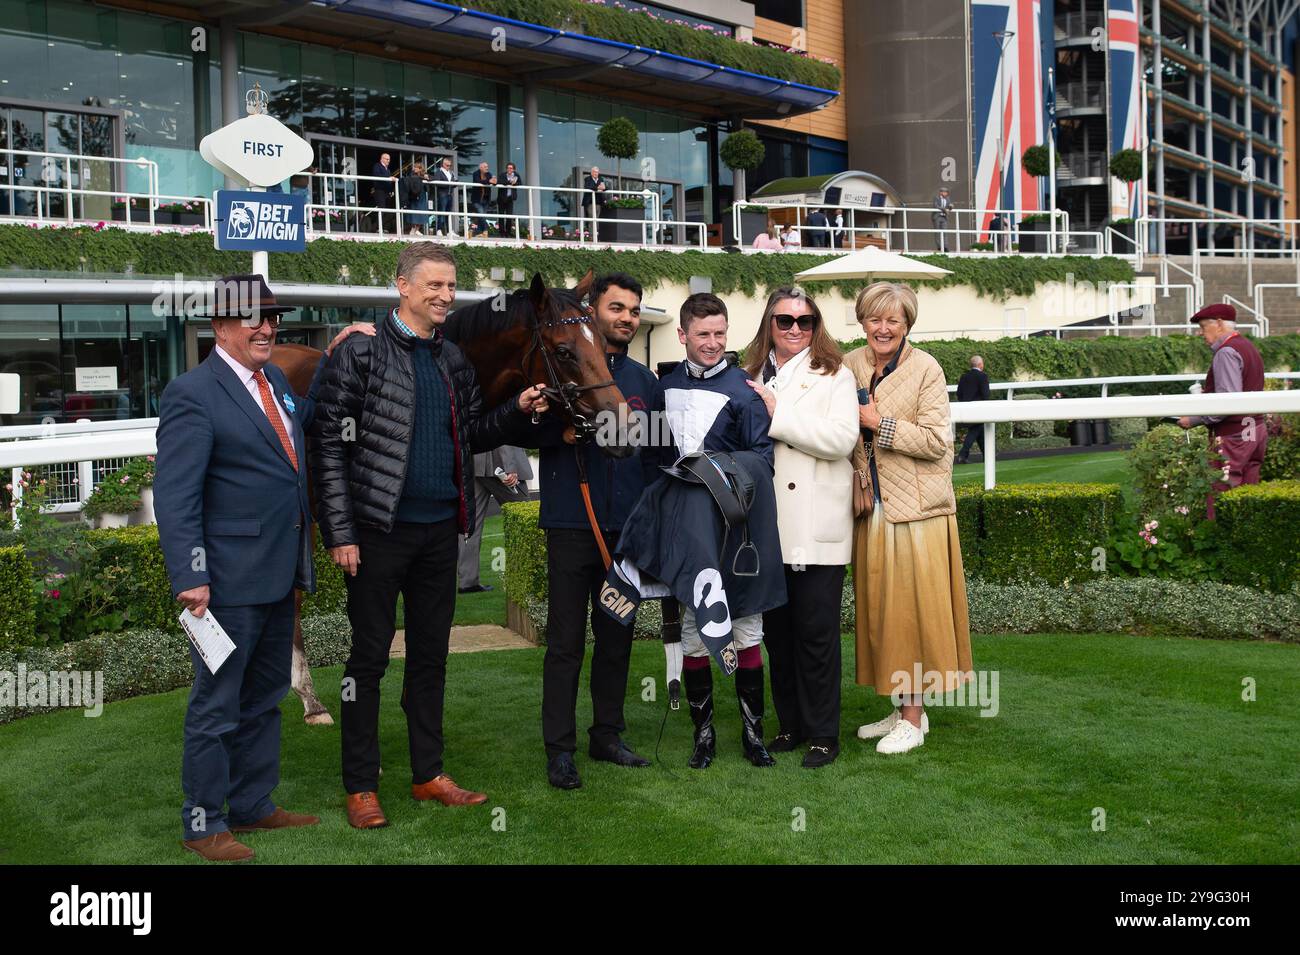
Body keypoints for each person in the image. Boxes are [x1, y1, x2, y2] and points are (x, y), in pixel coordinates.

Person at [309, 242, 550, 828]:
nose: (445, 296)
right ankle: (361, 785)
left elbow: (471, 433)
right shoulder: (359, 353)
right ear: (403, 286)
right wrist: (340, 531)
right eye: (434, 286)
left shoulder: (454, 360)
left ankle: (427, 774)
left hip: (440, 532)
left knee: (429, 660)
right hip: (375, 535)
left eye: (451, 287)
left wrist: (517, 409)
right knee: (366, 661)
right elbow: (328, 448)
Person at [154, 274, 320, 862]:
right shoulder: (191, 393)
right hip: (223, 580)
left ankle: (252, 805)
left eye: (272, 318)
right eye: (253, 318)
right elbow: (175, 496)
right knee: (217, 704)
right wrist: (191, 574)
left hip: (280, 574)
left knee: (266, 696)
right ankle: (203, 824)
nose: (266, 328)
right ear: (220, 326)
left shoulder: (275, 379)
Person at [504, 272, 662, 790]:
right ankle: (560, 749)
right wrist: (557, 425)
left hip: (626, 533)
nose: (627, 318)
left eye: (634, 311)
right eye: (617, 308)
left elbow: (657, 457)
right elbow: (524, 428)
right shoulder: (553, 367)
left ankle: (608, 735)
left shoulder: (644, 383)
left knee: (616, 639)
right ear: (593, 309)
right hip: (573, 525)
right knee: (566, 643)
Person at [844, 282, 972, 755]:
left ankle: (915, 720)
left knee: (909, 613)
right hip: (870, 508)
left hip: (916, 513)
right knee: (882, 612)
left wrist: (881, 424)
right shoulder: (850, 363)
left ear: (907, 324)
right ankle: (901, 708)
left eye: (892, 320)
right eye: (874, 318)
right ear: (862, 321)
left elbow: (939, 441)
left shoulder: (926, 368)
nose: (883, 328)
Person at [653, 292, 777, 769]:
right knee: (691, 632)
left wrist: (712, 471)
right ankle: (703, 736)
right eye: (703, 334)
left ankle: (753, 736)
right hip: (686, 535)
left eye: (720, 334)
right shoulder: (662, 387)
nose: (712, 343)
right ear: (682, 335)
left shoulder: (744, 390)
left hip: (734, 531)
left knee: (746, 629)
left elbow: (762, 461)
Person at [743, 288, 858, 768]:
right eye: (785, 320)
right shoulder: (747, 375)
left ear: (817, 326)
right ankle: (790, 724)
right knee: (778, 636)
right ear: (769, 323)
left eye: (805, 321)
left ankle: (823, 735)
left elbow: (841, 438)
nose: (795, 329)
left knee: (816, 636)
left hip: (815, 530)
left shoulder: (836, 374)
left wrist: (778, 414)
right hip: (767, 531)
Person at [1177, 303, 1268, 518]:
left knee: (1221, 493)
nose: (1201, 333)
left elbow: (1226, 403)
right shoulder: (1248, 346)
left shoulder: (1226, 352)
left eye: (1203, 327)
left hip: (1233, 435)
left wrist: (1194, 419)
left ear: (1218, 324)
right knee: (1250, 494)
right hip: (1255, 430)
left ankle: (1222, 542)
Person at [456, 446, 533, 593]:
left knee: (471, 525)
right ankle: (527, 578)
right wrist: (510, 466)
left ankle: (467, 582)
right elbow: (505, 430)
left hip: (474, 463)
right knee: (525, 519)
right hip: (501, 467)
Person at [955, 354, 991, 464]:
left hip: (966, 408)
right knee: (975, 430)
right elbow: (986, 394)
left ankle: (988, 455)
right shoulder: (982, 376)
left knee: (978, 431)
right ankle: (963, 454)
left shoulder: (964, 376)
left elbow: (959, 393)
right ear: (980, 365)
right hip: (979, 409)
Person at [399, 162, 432, 236]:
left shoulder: (424, 174)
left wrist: (427, 177)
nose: (414, 168)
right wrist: (424, 178)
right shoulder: (412, 174)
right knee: (414, 212)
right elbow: (411, 179)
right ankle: (413, 229)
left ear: (420, 169)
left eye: (416, 167)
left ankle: (417, 229)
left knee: (422, 212)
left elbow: (431, 178)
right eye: (414, 167)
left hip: (422, 195)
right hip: (414, 195)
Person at [369, 152, 397, 235]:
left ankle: (381, 227)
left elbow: (388, 182)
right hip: (379, 191)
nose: (388, 161)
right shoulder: (377, 166)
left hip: (386, 193)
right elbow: (377, 175)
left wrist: (391, 191)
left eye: (389, 159)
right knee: (382, 208)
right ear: (382, 159)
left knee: (386, 211)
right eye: (387, 159)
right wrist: (389, 178)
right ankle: (376, 228)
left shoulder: (387, 169)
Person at [432, 156, 458, 237]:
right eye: (447, 165)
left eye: (449, 165)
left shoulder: (451, 172)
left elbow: (454, 182)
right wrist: (448, 184)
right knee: (442, 212)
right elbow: (437, 183)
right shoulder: (438, 172)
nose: (448, 167)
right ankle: (439, 229)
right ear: (443, 164)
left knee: (449, 212)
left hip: (450, 194)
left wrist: (454, 183)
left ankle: (449, 231)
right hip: (442, 195)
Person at [582, 165, 608, 241]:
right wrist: (598, 187)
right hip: (590, 202)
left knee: (596, 219)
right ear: (591, 172)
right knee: (591, 219)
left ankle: (596, 236)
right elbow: (589, 186)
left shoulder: (601, 179)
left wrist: (601, 188)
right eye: (594, 172)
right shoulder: (587, 179)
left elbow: (605, 188)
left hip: (598, 203)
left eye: (597, 172)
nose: (596, 173)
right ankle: (591, 237)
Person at [470, 161, 495, 236]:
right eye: (485, 167)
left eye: (487, 167)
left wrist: (494, 181)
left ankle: (479, 232)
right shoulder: (476, 173)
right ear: (480, 167)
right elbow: (477, 181)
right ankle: (485, 230)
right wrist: (489, 181)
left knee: (482, 216)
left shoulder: (489, 174)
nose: (487, 168)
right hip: (477, 199)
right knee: (481, 214)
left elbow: (493, 182)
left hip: (486, 199)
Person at [497, 162, 520, 238]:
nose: (509, 169)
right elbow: (499, 182)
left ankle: (508, 233)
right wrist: (509, 182)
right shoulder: (502, 175)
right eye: (508, 168)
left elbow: (520, 183)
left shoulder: (516, 175)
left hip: (510, 199)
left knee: (509, 216)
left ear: (513, 169)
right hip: (502, 198)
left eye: (511, 168)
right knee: (501, 216)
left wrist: (515, 183)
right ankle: (501, 233)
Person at [932, 186, 952, 252]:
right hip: (937, 216)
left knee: (945, 232)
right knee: (937, 232)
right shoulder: (936, 197)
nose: (946, 193)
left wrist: (951, 207)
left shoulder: (948, 199)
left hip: (944, 217)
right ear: (941, 192)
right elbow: (936, 205)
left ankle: (945, 247)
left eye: (946, 192)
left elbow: (949, 207)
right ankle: (939, 247)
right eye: (944, 192)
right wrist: (944, 209)